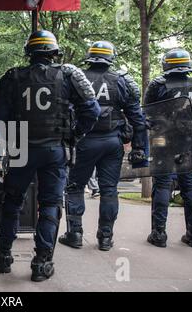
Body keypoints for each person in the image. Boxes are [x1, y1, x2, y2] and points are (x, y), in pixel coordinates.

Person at [0, 30, 101, 282]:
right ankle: (41, 263)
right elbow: (92, 110)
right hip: (54, 149)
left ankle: (3, 257)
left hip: (22, 150)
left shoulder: (12, 77)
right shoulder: (70, 75)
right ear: (54, 52)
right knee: (50, 204)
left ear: (29, 53)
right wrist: (74, 134)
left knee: (11, 201)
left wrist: (13, 142)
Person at [58, 41, 147, 251]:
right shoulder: (122, 81)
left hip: (84, 142)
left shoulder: (76, 79)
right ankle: (105, 238)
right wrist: (138, 147)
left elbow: (63, 110)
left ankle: (75, 234)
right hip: (112, 143)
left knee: (74, 187)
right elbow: (138, 118)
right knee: (109, 190)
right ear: (111, 57)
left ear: (89, 57)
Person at [144, 48, 192, 248]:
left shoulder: (158, 84)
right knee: (189, 185)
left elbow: (147, 114)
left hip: (163, 140)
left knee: (162, 184)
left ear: (166, 64)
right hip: (188, 141)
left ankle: (159, 234)